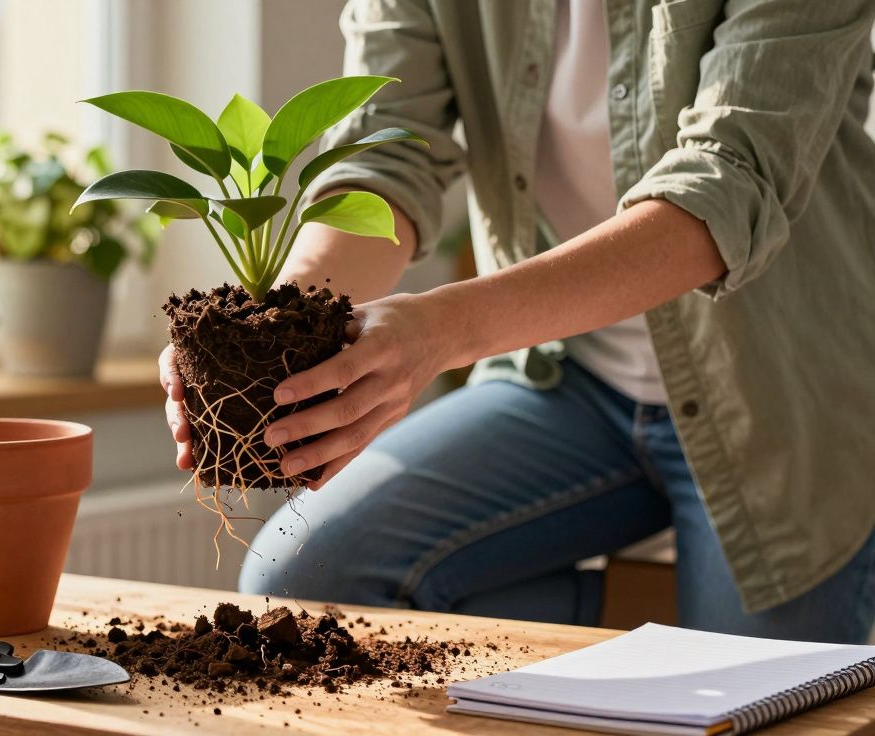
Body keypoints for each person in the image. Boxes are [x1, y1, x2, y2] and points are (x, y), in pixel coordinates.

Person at [160, 0, 875, 644]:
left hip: (784, 401)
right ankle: (626, 645)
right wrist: (271, 321)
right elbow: (387, 150)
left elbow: (725, 186)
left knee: (756, 697)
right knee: (303, 577)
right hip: (569, 381)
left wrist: (440, 330)